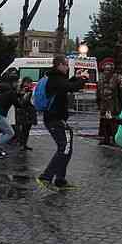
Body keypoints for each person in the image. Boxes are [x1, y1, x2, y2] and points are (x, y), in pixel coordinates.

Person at [36, 55, 88, 190]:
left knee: (67, 147)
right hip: (55, 119)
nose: (67, 67)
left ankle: (60, 179)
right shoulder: (55, 78)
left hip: (55, 119)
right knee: (64, 147)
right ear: (59, 65)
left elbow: (66, 86)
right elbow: (71, 88)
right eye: (66, 64)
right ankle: (46, 177)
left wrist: (76, 78)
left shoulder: (54, 77)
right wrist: (83, 79)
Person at [0, 69, 18, 158]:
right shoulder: (11, 91)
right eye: (16, 82)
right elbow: (18, 104)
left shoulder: (4, 88)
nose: (17, 84)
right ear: (13, 82)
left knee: (5, 131)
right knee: (10, 133)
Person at [97, 63, 121, 145]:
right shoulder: (101, 78)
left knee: (112, 122)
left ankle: (114, 139)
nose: (106, 71)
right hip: (104, 104)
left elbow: (114, 89)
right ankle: (106, 138)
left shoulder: (115, 78)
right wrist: (98, 102)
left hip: (111, 104)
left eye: (108, 70)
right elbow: (99, 90)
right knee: (104, 122)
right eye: (105, 70)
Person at [14, 77, 37, 151]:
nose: (28, 85)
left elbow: (32, 102)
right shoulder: (19, 91)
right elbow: (21, 102)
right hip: (22, 113)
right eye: (27, 83)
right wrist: (22, 93)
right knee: (21, 129)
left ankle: (24, 144)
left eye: (30, 83)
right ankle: (21, 144)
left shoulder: (31, 91)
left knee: (27, 130)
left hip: (29, 113)